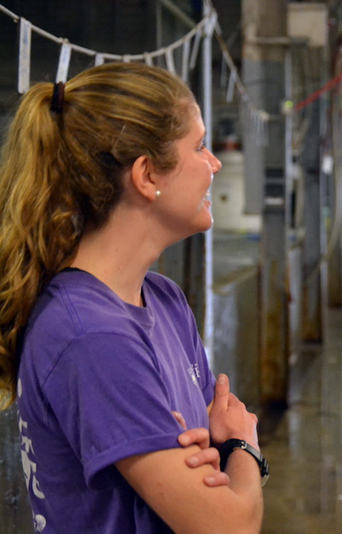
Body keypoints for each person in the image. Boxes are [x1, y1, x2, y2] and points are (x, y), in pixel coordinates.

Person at [0, 63, 265, 533]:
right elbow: (227, 525)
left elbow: (211, 436)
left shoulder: (163, 299)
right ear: (146, 176)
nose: (216, 163)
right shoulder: (91, 335)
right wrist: (244, 447)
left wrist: (219, 453)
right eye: (199, 146)